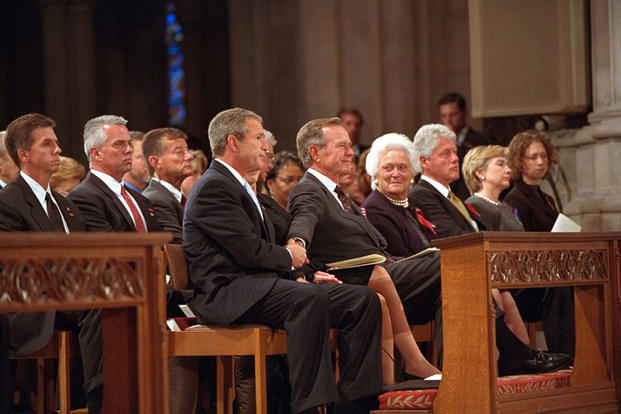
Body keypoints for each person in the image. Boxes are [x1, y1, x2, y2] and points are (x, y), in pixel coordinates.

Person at [183, 108, 383, 413]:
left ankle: (354, 403)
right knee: (308, 299)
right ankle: (308, 404)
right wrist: (290, 259)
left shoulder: (239, 185)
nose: (266, 146)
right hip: (227, 292)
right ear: (234, 142)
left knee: (361, 300)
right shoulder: (214, 186)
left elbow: (260, 250)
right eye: (259, 137)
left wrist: (307, 273)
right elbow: (248, 251)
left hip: (259, 285)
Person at [409, 123, 573, 373]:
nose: (455, 159)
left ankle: (548, 359)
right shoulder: (422, 194)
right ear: (424, 161)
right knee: (504, 291)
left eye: (455, 152)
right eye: (445, 154)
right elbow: (455, 238)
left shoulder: (452, 197)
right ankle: (520, 359)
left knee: (558, 283)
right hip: (464, 272)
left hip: (490, 270)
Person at [287, 117, 441, 381]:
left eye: (350, 146)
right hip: (353, 276)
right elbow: (304, 218)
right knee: (451, 262)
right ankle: (415, 362)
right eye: (342, 146)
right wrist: (297, 242)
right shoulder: (308, 191)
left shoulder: (338, 192)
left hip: (379, 270)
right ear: (315, 153)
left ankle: (473, 369)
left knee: (454, 281)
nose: (351, 152)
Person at [0, 113, 103, 413]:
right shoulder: (8, 203)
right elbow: (16, 267)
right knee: (97, 302)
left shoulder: (65, 205)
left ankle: (127, 389)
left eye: (56, 143)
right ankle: (97, 398)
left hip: (70, 298)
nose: (58, 149)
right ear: (24, 154)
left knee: (123, 301)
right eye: (47, 144)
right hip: (30, 303)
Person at [68, 116, 160, 233]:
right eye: (119, 144)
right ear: (96, 154)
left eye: (129, 144)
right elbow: (108, 247)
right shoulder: (84, 197)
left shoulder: (140, 199)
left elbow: (158, 242)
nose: (129, 150)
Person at [437, 92, 495, 201]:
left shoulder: (480, 140)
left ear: (464, 113)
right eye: (444, 116)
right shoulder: (438, 143)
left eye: (453, 115)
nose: (448, 121)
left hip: (471, 198)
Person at [141, 127, 194, 244]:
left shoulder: (177, 196)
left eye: (187, 150)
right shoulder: (155, 199)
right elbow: (177, 246)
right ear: (155, 162)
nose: (189, 156)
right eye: (179, 152)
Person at [504, 130, 559, 231]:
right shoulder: (514, 200)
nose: (540, 162)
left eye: (544, 156)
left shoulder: (547, 199)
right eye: (533, 157)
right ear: (519, 161)